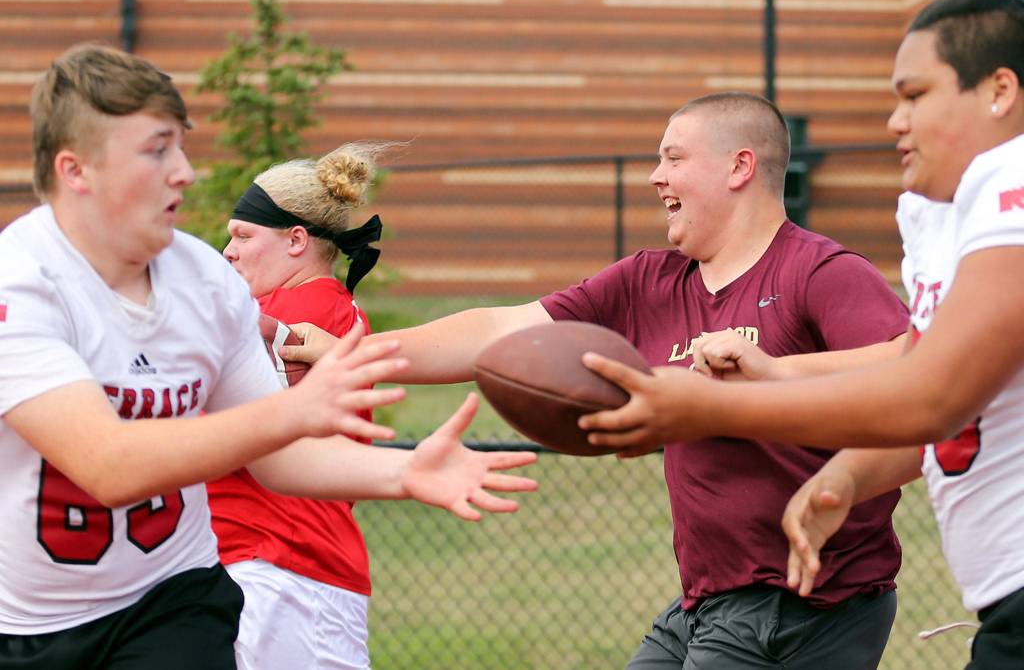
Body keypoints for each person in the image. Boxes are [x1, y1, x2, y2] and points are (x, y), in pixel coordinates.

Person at [285, 92, 911, 668]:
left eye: (673, 157)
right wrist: (351, 351)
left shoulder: (821, 272)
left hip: (807, 601)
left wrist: (777, 376)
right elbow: (502, 330)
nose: (655, 176)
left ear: (739, 167)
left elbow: (911, 370)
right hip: (709, 597)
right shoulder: (649, 280)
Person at [0, 43, 537, 670]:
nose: (184, 172)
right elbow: (108, 465)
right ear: (76, 172)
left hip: (175, 598)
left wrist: (404, 471)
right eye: (155, 150)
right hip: (33, 621)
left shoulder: (203, 282)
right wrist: (294, 409)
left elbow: (279, 461)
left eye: (180, 146)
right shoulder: (22, 282)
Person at [574, 0, 1024, 666]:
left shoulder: (1008, 187)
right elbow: (917, 361)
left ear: (999, 90)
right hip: (995, 600)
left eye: (915, 93)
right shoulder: (945, 211)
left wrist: (712, 404)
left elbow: (933, 395)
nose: (895, 119)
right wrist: (830, 457)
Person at [210, 142, 393, 670]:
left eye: (243, 236)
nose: (229, 251)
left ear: (295, 240)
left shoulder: (303, 309)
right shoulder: (312, 308)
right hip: (269, 564)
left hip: (285, 566)